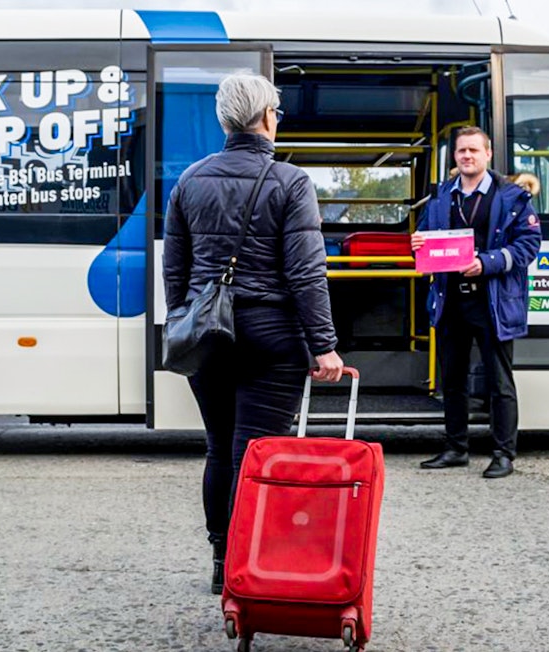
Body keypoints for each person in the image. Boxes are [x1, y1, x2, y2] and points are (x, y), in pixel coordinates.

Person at [162, 73, 344, 593]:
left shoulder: (190, 179)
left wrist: (184, 323)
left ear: (225, 120)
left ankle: (223, 563)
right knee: (260, 452)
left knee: (220, 449)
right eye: (277, 113)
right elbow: (307, 273)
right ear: (266, 117)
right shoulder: (290, 182)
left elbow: (175, 271)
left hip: (208, 336)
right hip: (272, 334)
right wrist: (324, 345)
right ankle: (255, 563)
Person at [411, 126, 541, 479]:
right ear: (454, 157)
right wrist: (419, 244)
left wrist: (489, 262)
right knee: (452, 382)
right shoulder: (441, 196)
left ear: (488, 155)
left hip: (492, 302)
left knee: (499, 382)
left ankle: (503, 454)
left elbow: (529, 245)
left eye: (473, 150)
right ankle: (456, 449)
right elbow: (425, 235)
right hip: (450, 300)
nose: (466, 156)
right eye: (461, 151)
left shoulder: (513, 197)